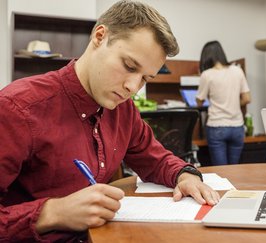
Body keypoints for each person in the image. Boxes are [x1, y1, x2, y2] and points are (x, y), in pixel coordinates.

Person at [0, 1, 220, 242]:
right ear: (100, 36)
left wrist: (185, 176)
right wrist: (52, 212)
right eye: (129, 66)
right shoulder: (18, 108)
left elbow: (155, 158)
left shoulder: (123, 109)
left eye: (145, 78)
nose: (133, 87)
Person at [196, 41, 251, 165]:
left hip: (217, 126)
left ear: (206, 57)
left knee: (221, 171)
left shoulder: (207, 74)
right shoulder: (237, 70)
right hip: (237, 127)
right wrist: (233, 104)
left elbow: (199, 102)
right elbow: (247, 98)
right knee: (234, 170)